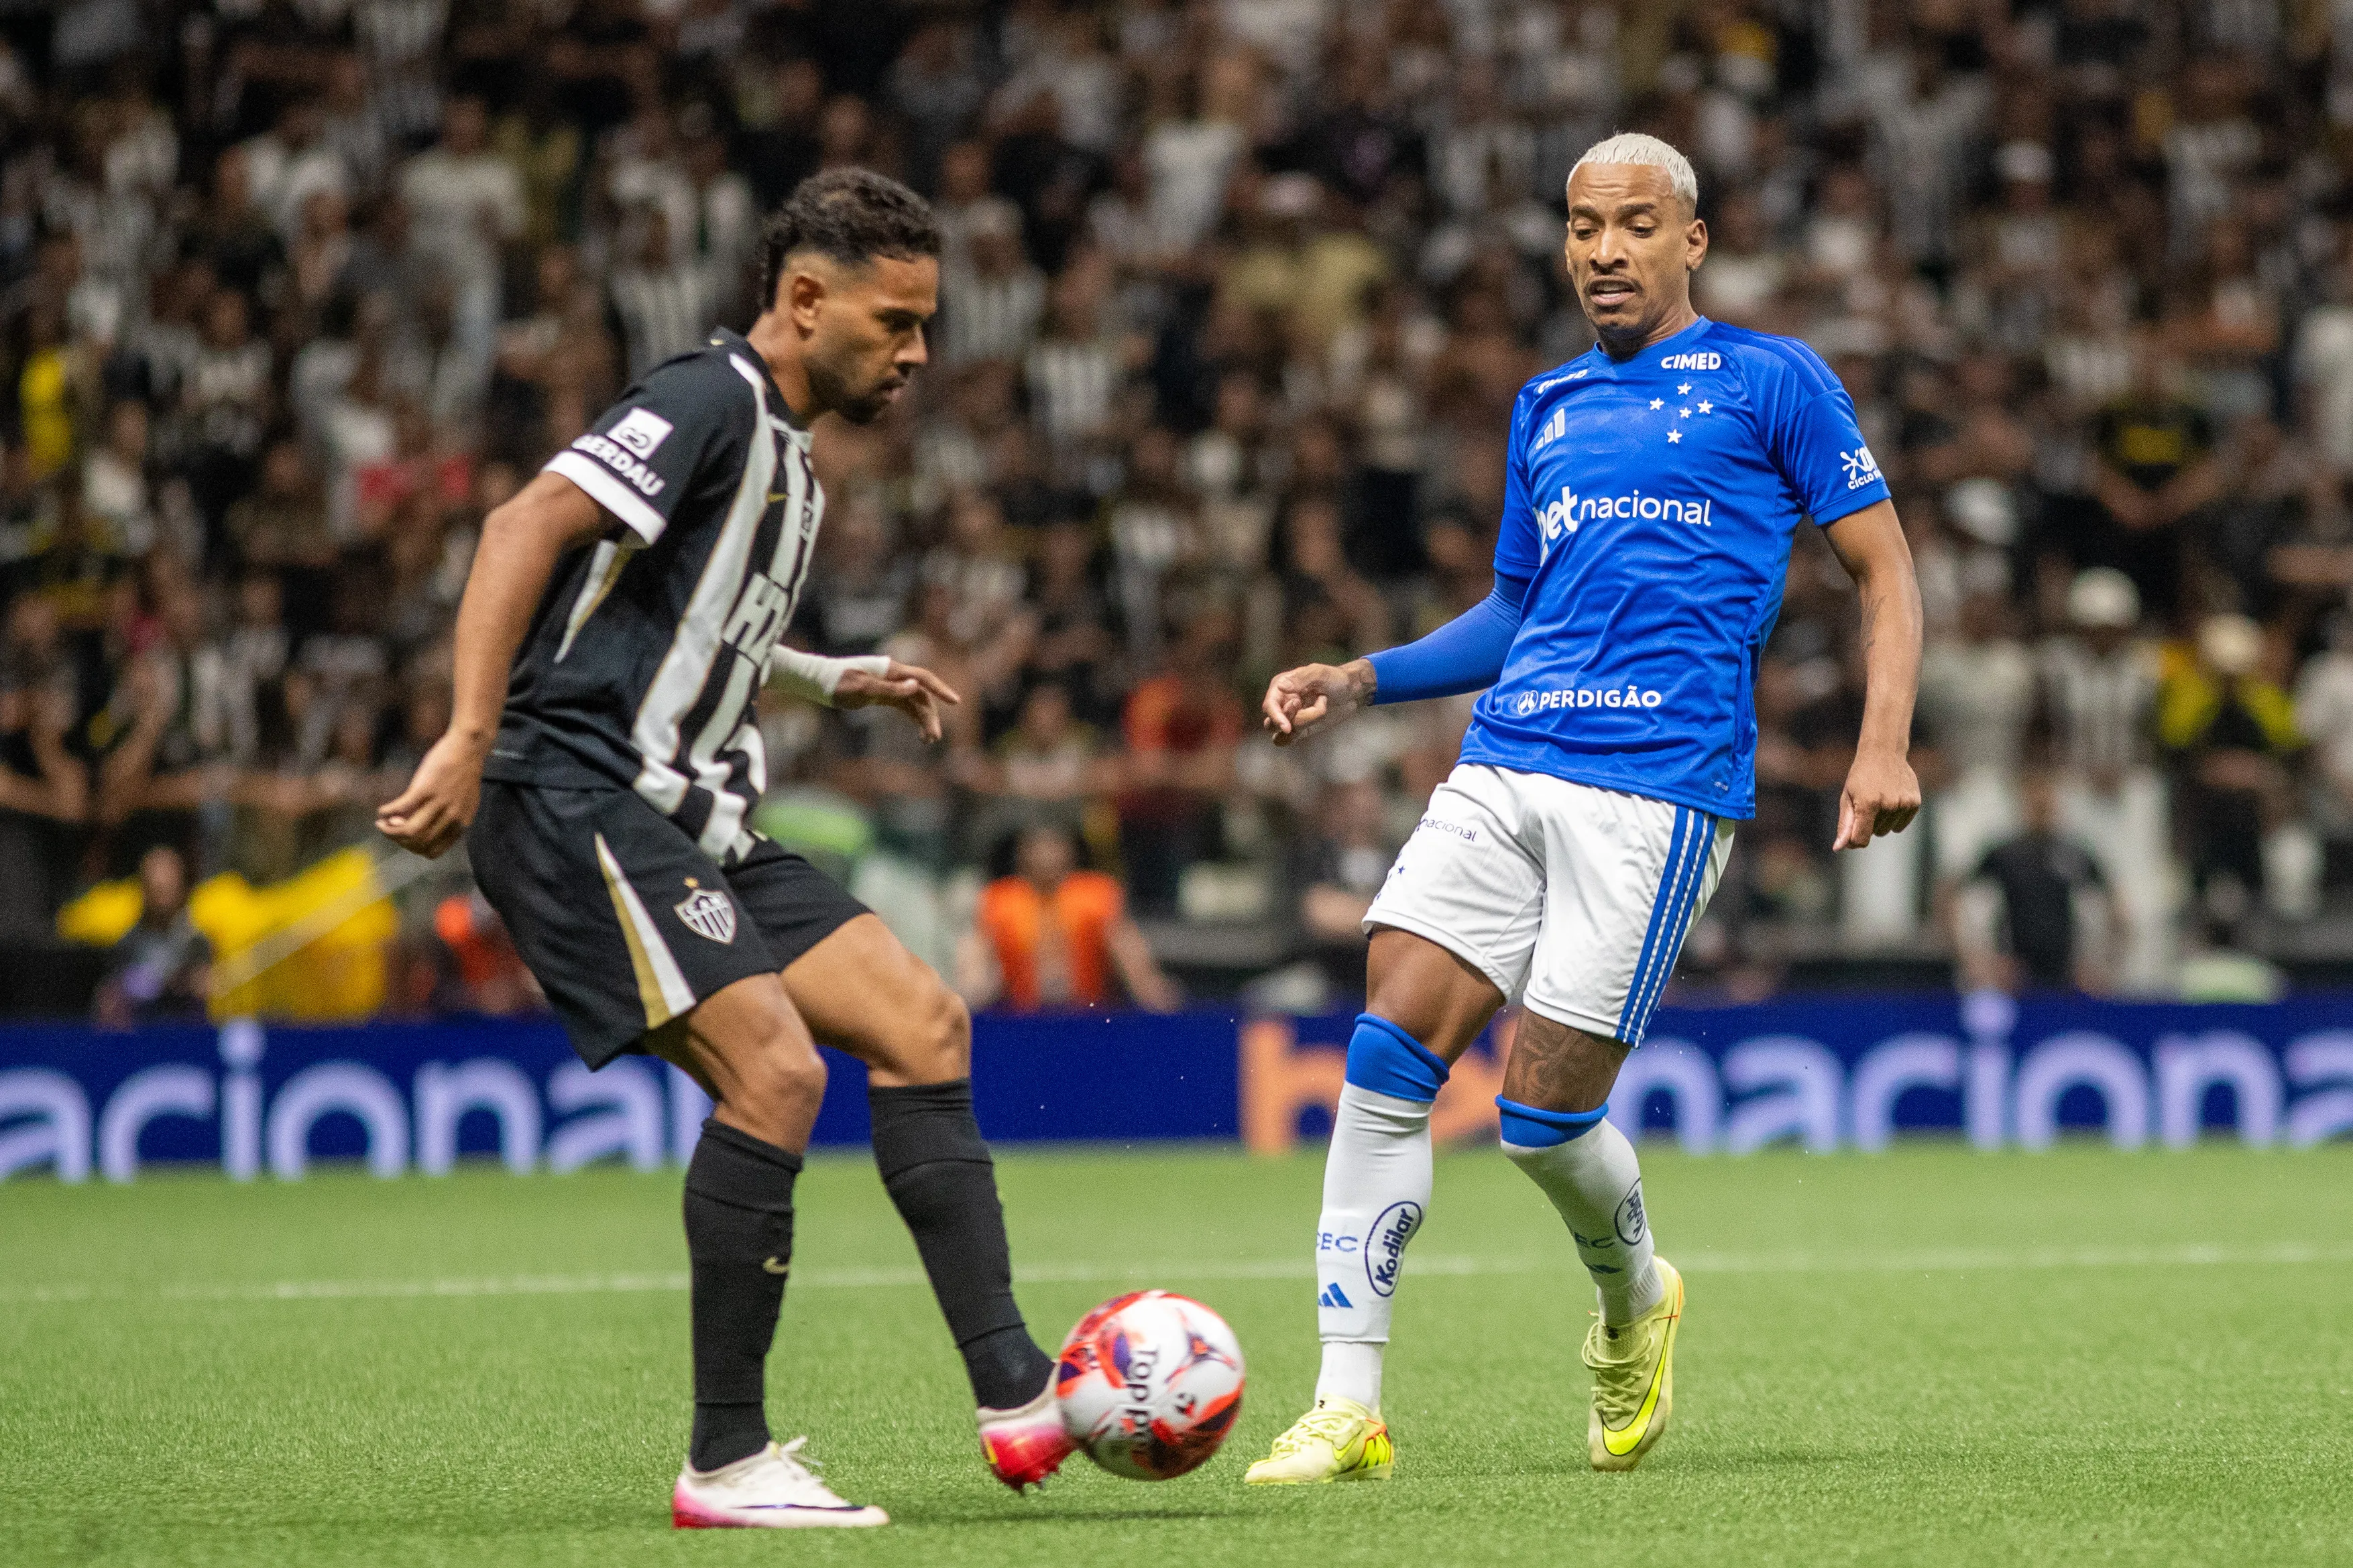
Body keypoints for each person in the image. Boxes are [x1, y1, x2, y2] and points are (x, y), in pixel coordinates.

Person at [377, 171, 1077, 1529]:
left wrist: (826, 676)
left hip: (693, 812)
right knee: (775, 1068)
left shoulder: (786, 450)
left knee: (922, 1020)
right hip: (577, 792)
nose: (918, 352)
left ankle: (1014, 1389)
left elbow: (696, 616)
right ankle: (727, 1457)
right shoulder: (707, 398)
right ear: (803, 299)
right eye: (894, 321)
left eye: (924, 324)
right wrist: (466, 732)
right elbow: (523, 524)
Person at [1249, 135, 1922, 1482]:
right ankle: (1345, 1400)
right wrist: (1360, 675)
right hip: (1504, 758)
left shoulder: (1772, 378)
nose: (1602, 249)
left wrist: (1879, 746)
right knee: (1383, 1056)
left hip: (1655, 784)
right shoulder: (1543, 402)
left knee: (1540, 1118)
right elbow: (1515, 609)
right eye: (1579, 225)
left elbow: (1884, 570)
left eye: (1632, 224)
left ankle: (1634, 1295)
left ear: (1691, 241)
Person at [960, 821, 1180, 1012]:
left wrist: (1149, 987)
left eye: (1053, 845)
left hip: (1087, 1014)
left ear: (1069, 850)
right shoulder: (1000, 899)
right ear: (1022, 852)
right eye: (1037, 846)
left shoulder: (1096, 894)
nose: (1046, 854)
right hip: (1022, 1016)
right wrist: (974, 989)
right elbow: (977, 953)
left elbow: (1126, 948)